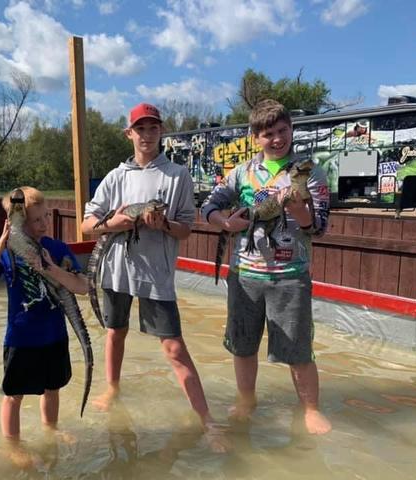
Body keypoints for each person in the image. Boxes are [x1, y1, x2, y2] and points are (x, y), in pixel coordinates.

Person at [80, 102, 229, 452]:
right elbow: (87, 226)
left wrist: (163, 223)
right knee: (115, 333)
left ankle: (206, 418)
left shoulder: (178, 175)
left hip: (156, 274)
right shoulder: (115, 177)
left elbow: (185, 229)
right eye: (140, 129)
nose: (146, 135)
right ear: (129, 134)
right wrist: (113, 224)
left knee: (174, 347)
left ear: (161, 131)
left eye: (153, 128)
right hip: (115, 270)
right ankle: (112, 388)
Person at [201, 99, 332, 435]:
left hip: (291, 277)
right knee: (243, 345)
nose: (277, 138)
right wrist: (223, 223)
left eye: (282, 130)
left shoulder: (309, 172)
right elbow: (210, 204)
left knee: (299, 349)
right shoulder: (242, 173)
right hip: (246, 275)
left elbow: (317, 227)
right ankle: (247, 398)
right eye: (268, 133)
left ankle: (311, 409)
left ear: (291, 129)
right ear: (255, 137)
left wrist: (299, 208)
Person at [0, 186, 88, 468]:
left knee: (53, 388)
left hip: (54, 335)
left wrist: (52, 269)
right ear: (18, 223)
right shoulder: (8, 253)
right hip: (20, 337)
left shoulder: (57, 248)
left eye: (45, 217)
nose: (44, 224)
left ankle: (51, 429)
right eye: (36, 220)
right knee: (13, 395)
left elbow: (83, 287)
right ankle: (12, 444)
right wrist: (0, 245)